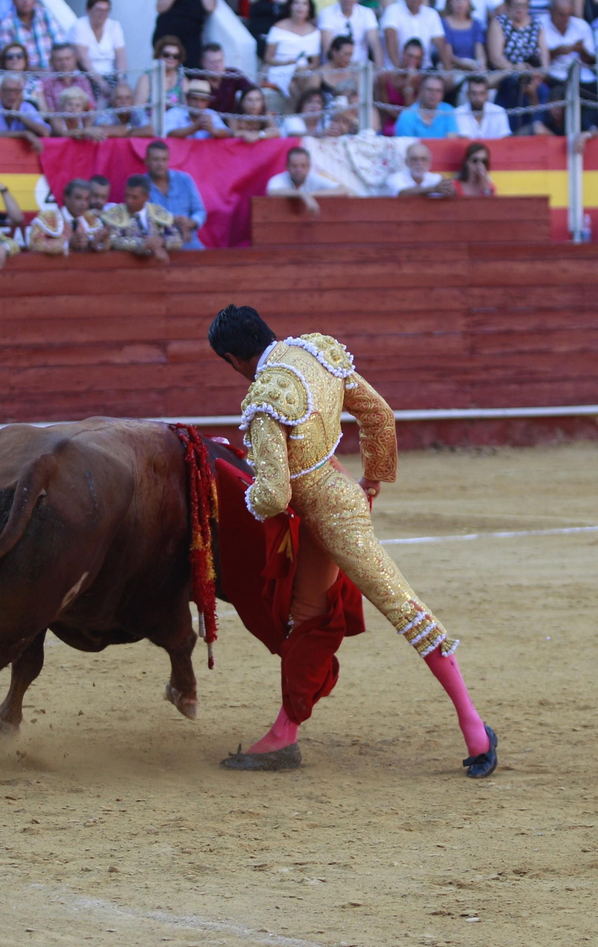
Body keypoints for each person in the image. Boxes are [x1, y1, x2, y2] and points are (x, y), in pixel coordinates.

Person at [207, 305, 497, 776]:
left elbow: (275, 495)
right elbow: (379, 415)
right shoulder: (316, 352)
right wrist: (372, 479)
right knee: (305, 620)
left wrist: (245, 497)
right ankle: (284, 736)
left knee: (404, 610)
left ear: (231, 359)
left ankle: (476, 731)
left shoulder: (264, 399)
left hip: (335, 519)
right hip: (335, 496)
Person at [487, 0, 550, 134]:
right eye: (516, 5)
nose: (520, 9)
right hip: (508, 72)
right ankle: (510, 131)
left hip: (533, 74)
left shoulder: (536, 24)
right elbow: (496, 57)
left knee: (544, 92)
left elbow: (544, 54)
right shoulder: (499, 23)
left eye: (523, 5)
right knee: (512, 87)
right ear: (509, 6)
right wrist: (515, 69)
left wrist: (541, 73)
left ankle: (538, 128)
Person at [102, 175, 184, 261]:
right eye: (127, 195)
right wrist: (145, 244)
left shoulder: (158, 212)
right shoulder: (116, 213)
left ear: (146, 197)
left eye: (134, 197)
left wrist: (162, 241)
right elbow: (112, 241)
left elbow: (178, 240)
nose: (129, 201)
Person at [145, 140, 207, 249]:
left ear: (168, 160)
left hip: (189, 242)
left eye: (164, 159)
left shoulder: (184, 179)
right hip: (158, 246)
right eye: (156, 159)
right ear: (147, 161)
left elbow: (200, 211)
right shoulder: (141, 185)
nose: (160, 164)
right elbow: (139, 220)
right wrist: (173, 222)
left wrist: (191, 222)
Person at [0, 0, 64, 69]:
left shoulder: (46, 15)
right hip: (24, 75)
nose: (25, 1)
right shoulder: (6, 24)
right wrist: (37, 71)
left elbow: (61, 44)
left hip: (53, 72)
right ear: (13, 0)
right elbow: (6, 59)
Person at [381, 0, 444, 66]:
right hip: (396, 68)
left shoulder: (432, 14)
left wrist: (448, 71)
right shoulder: (392, 10)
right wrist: (398, 68)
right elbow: (390, 38)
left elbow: (441, 45)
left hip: (425, 69)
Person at [70, 0, 126, 88]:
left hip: (111, 75)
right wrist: (101, 83)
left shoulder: (114, 26)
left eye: (106, 10)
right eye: (99, 10)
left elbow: (121, 56)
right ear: (88, 10)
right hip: (86, 76)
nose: (103, 14)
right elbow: (83, 59)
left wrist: (121, 80)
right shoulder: (80, 26)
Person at [318, 0, 379, 65]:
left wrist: (379, 69)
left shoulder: (367, 13)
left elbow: (375, 44)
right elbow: (328, 48)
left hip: (361, 66)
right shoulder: (326, 13)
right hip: (336, 67)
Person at [266, 145, 346, 212]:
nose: (299, 170)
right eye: (294, 166)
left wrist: (312, 195)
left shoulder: (314, 178)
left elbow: (342, 190)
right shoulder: (279, 179)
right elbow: (273, 192)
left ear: (309, 167)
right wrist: (302, 194)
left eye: (303, 166)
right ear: (287, 167)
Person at [0, 73, 45, 150]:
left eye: (16, 91)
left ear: (21, 93)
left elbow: (45, 132)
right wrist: (24, 134)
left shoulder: (27, 107)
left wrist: (18, 116)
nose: (12, 95)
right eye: (7, 90)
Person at [394, 72, 458, 138]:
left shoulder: (448, 110)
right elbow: (405, 143)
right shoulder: (407, 116)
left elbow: (452, 140)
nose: (434, 94)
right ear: (421, 91)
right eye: (430, 90)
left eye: (438, 90)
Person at [385, 139, 453, 196]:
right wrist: (433, 189)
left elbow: (452, 194)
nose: (419, 163)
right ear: (406, 162)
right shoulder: (394, 178)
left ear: (429, 161)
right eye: (414, 159)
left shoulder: (436, 178)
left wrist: (450, 190)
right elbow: (402, 193)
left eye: (423, 159)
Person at [453, 74, 510, 139]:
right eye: (474, 93)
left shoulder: (499, 112)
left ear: (487, 94)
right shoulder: (458, 113)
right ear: (468, 94)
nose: (478, 98)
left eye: (481, 93)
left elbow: (504, 138)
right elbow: (465, 139)